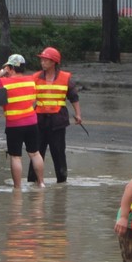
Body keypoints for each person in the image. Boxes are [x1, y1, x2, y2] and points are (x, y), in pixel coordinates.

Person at [28, 47, 82, 184]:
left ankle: (62, 182)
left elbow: (73, 97)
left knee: (58, 153)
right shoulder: (35, 77)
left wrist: (78, 114)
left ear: (53, 62)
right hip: (39, 120)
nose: (42, 62)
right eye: (42, 60)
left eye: (45, 60)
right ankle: (32, 182)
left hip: (57, 121)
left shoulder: (65, 78)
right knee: (36, 152)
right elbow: (28, 96)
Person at [0, 54, 45, 188]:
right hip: (32, 122)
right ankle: (41, 183)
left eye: (7, 68)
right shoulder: (31, 80)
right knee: (35, 153)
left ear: (10, 68)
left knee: (15, 157)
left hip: (14, 124)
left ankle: (17, 188)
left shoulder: (3, 82)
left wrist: (1, 74)